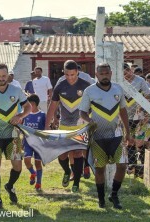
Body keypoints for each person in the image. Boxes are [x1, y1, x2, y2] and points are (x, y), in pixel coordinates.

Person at [79, 62, 131, 209]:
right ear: (97, 75)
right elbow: (82, 112)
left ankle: (114, 194)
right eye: (101, 74)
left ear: (111, 74)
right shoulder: (89, 91)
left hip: (116, 135)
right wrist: (90, 121)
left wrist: (128, 131)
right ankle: (101, 199)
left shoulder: (118, 89)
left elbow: (123, 111)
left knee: (122, 166)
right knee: (100, 169)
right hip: (98, 136)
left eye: (107, 73)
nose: (104, 76)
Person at [0, 63, 31, 208]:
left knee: (18, 166)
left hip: (13, 134)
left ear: (8, 75)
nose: (1, 78)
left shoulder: (16, 90)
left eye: (4, 75)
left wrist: (20, 115)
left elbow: (28, 107)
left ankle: (10, 185)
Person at [45, 60, 90, 193]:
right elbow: (52, 107)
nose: (70, 77)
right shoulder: (59, 86)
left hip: (80, 126)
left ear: (77, 72)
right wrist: (47, 126)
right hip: (64, 125)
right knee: (62, 154)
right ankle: (66, 171)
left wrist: (89, 120)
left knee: (77, 153)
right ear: (63, 73)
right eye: (67, 74)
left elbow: (92, 106)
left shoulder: (86, 86)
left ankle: (76, 182)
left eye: (73, 74)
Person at [123, 63, 150, 166]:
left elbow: (147, 95)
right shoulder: (120, 82)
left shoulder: (140, 81)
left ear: (131, 70)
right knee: (129, 140)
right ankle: (132, 164)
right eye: (124, 74)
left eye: (128, 72)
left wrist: (142, 108)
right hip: (125, 116)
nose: (127, 75)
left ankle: (143, 165)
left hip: (139, 115)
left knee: (140, 141)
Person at [23, 94, 45, 191]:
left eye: (29, 104)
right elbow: (21, 128)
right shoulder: (25, 114)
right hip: (27, 142)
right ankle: (33, 173)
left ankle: (39, 183)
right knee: (26, 161)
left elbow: (46, 129)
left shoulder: (42, 115)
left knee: (37, 163)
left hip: (38, 143)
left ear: (34, 104)